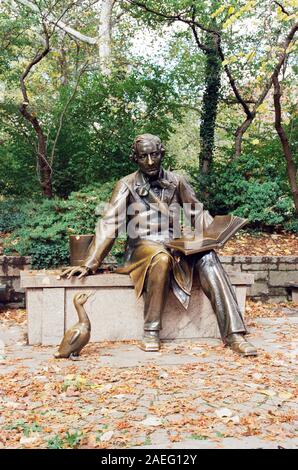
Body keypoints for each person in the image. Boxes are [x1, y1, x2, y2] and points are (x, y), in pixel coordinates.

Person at [61, 134, 257, 356]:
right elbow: (109, 223)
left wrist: (215, 234)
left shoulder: (177, 181)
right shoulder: (126, 184)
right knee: (160, 258)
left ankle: (234, 335)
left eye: (154, 154)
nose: (150, 161)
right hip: (142, 248)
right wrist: (90, 262)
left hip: (175, 244)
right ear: (135, 158)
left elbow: (197, 212)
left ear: (161, 153)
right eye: (143, 156)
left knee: (208, 257)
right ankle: (151, 329)